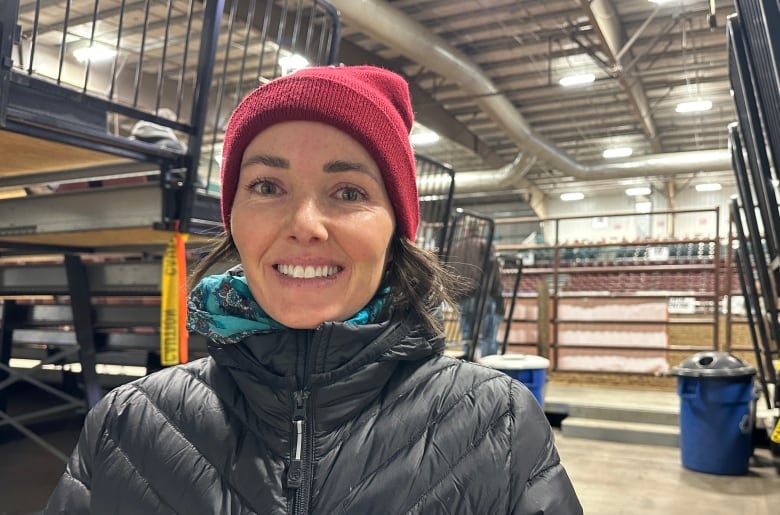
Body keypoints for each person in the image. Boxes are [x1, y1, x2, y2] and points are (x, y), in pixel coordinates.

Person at [44, 65, 582, 514]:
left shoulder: (500, 421)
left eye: (348, 191)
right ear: (233, 217)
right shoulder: (126, 423)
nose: (306, 224)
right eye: (266, 186)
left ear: (396, 227)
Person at [449, 224, 505, 358]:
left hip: (462, 296)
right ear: (479, 230)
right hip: (482, 295)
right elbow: (493, 271)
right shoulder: (485, 244)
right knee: (488, 334)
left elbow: (449, 270)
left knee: (467, 333)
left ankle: (468, 362)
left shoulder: (456, 247)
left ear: (465, 230)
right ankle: (490, 365)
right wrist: (497, 293)